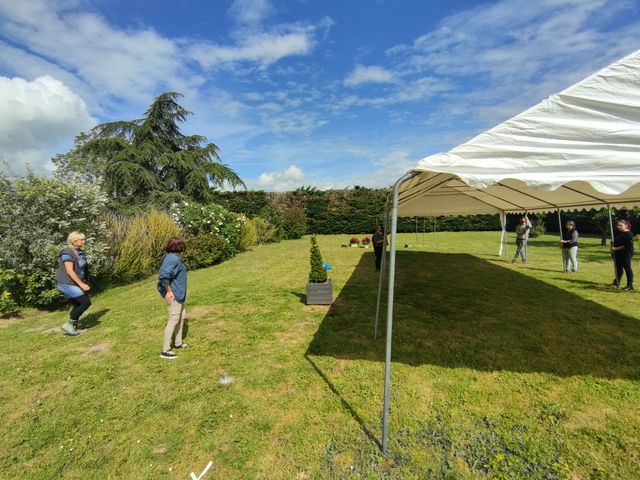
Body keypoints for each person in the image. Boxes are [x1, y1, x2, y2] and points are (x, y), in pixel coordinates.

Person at [157, 237, 189, 359]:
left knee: (181, 317)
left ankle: (178, 343)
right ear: (179, 247)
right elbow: (164, 276)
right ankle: (165, 350)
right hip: (174, 295)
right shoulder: (172, 259)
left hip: (179, 294)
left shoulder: (172, 257)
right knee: (173, 320)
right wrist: (169, 291)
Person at [55, 231, 91, 336]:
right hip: (66, 282)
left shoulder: (78, 251)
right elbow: (70, 271)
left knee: (77, 304)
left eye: (84, 239)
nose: (84, 241)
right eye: (81, 239)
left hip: (74, 282)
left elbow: (81, 269)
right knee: (85, 302)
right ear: (74, 241)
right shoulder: (67, 252)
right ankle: (68, 324)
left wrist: (84, 281)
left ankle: (73, 327)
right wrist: (82, 285)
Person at [611, 220, 634, 291]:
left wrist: (615, 248)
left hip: (626, 254)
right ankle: (617, 281)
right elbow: (613, 241)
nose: (618, 227)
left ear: (626, 225)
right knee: (618, 268)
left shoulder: (629, 234)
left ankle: (630, 285)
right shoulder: (617, 232)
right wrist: (612, 247)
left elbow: (627, 246)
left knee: (627, 268)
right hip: (617, 253)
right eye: (617, 225)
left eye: (620, 225)